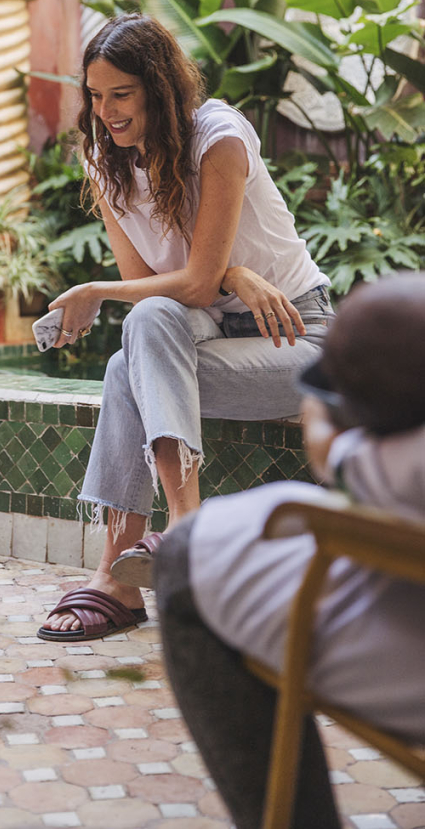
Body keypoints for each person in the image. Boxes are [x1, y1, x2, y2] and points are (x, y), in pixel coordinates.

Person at [38, 13, 334, 641]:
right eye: (95, 95)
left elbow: (191, 284)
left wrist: (97, 291)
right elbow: (157, 287)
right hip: (207, 334)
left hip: (298, 340)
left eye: (123, 94)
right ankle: (147, 558)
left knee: (130, 358)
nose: (107, 112)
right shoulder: (108, 161)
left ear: (159, 89)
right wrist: (231, 274)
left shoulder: (217, 138)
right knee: (138, 339)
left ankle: (168, 539)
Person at [154, 272, 425, 829]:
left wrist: (323, 399)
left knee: (183, 562)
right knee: (133, 355)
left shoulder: (404, 464)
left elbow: (326, 449)